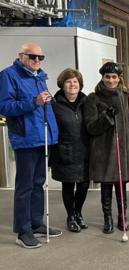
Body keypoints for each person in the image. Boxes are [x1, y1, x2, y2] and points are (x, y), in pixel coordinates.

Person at [0, 42, 62, 248]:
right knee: (25, 186)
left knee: (39, 184)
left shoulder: (40, 77)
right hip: (26, 139)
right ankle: (23, 231)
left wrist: (53, 134)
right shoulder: (9, 75)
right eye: (33, 56)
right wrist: (33, 102)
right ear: (21, 56)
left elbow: (45, 110)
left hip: (42, 138)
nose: (37, 60)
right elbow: (5, 107)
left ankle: (36, 223)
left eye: (40, 58)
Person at [84, 62, 129, 234]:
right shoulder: (93, 98)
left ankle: (122, 218)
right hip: (104, 149)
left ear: (119, 78)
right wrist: (107, 117)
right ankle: (107, 219)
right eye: (107, 77)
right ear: (102, 77)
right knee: (107, 185)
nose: (111, 80)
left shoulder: (126, 96)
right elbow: (91, 127)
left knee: (121, 185)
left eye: (114, 77)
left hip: (123, 148)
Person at [50, 68, 90, 233]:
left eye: (75, 81)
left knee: (84, 185)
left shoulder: (87, 102)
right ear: (62, 84)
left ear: (80, 84)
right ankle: (71, 216)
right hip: (64, 150)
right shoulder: (54, 105)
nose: (72, 84)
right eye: (68, 81)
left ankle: (78, 212)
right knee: (68, 185)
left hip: (85, 151)